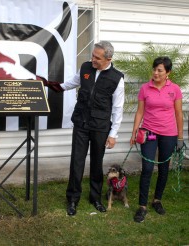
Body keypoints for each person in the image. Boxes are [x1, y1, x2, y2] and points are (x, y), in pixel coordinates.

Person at [58, 41, 125, 216]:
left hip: (101, 127)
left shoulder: (117, 78)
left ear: (108, 58)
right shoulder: (86, 68)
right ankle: (73, 199)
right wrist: (54, 87)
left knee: (96, 163)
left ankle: (95, 198)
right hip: (81, 123)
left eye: (97, 57)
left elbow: (118, 108)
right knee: (77, 162)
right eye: (92, 55)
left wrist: (113, 134)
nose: (92, 59)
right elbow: (72, 82)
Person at [130, 56, 184, 223]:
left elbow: (178, 114)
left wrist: (180, 137)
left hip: (169, 134)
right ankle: (142, 206)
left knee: (164, 168)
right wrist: (134, 132)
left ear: (168, 72)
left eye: (160, 70)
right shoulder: (145, 88)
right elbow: (140, 112)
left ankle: (157, 200)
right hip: (150, 132)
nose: (155, 73)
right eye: (154, 69)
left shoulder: (174, 89)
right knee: (147, 168)